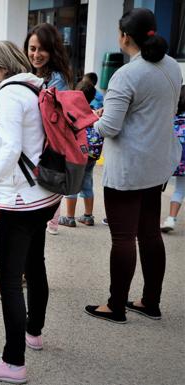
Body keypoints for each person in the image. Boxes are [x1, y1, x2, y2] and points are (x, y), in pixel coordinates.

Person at [0, 41, 62, 384]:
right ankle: (34, 333)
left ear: (0, 68)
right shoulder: (35, 85)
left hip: (24, 199)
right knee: (35, 265)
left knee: (8, 279)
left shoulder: (7, 93)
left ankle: (13, 362)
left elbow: (11, 150)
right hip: (44, 194)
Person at [84, 9, 182, 324]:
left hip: (129, 167)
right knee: (150, 233)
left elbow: (110, 127)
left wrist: (95, 120)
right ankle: (150, 302)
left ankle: (116, 305)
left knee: (123, 237)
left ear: (125, 36)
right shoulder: (172, 66)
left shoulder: (127, 75)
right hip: (158, 162)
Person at [24, 23, 73, 235]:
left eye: (42, 49)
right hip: (31, 149)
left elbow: (52, 121)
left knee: (33, 224)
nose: (36, 54)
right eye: (32, 48)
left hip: (45, 151)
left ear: (52, 50)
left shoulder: (57, 80)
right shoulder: (29, 74)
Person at [57, 79, 103, 228]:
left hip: (77, 154)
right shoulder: (94, 113)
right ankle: (88, 216)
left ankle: (69, 218)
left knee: (72, 183)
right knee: (87, 183)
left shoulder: (74, 113)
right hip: (92, 155)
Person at [161, 85, 185, 233]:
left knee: (154, 187)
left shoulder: (171, 117)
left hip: (170, 159)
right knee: (180, 189)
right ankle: (171, 218)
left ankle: (150, 218)